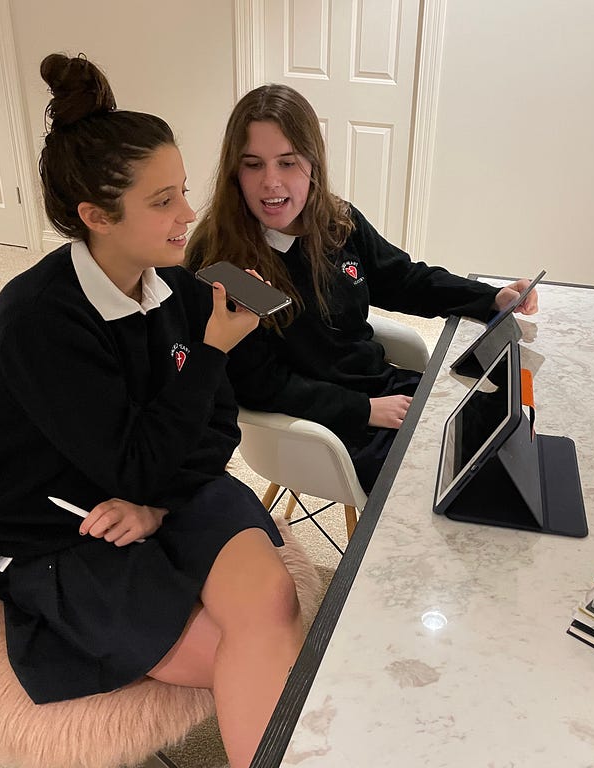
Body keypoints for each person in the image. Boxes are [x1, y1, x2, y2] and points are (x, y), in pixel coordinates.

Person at [0, 54, 302, 768]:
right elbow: (134, 461)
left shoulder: (179, 291)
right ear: (95, 216)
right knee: (241, 657)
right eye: (163, 202)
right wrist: (211, 352)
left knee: (274, 613)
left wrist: (156, 509)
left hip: (160, 497)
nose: (190, 215)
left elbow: (215, 430)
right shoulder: (37, 322)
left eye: (182, 192)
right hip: (66, 531)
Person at [187, 83, 539, 491]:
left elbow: (403, 279)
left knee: (503, 423)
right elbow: (261, 385)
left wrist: (489, 298)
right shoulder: (223, 266)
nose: (271, 182)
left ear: (312, 162)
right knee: (455, 487)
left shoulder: (337, 223)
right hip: (325, 426)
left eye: (287, 162)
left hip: (380, 387)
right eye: (253, 164)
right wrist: (365, 410)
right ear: (235, 171)